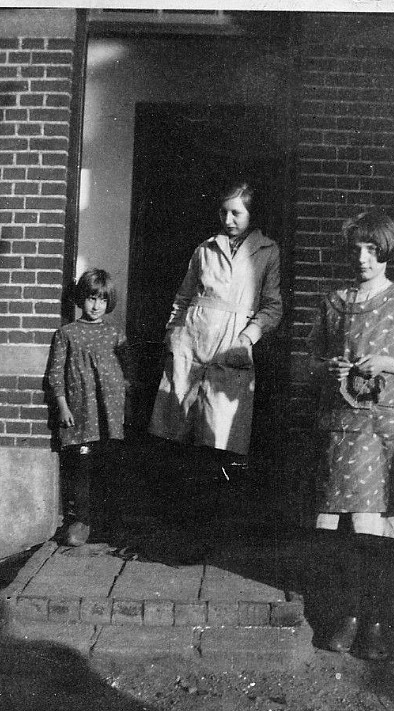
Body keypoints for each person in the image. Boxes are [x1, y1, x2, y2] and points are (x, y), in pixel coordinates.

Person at [307, 210, 394, 660]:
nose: (363, 259)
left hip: (384, 435)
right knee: (345, 532)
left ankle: (374, 621)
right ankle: (347, 616)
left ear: (386, 253)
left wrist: (385, 362)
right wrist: (328, 368)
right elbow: (311, 361)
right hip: (343, 433)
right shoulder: (332, 303)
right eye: (356, 250)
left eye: (372, 250)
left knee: (380, 532)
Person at [149, 180, 283, 462]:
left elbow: (273, 307)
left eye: (236, 213)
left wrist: (247, 338)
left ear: (252, 214)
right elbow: (183, 297)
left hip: (231, 345)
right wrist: (173, 333)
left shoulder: (267, 251)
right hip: (191, 340)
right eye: (224, 212)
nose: (228, 220)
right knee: (176, 429)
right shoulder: (205, 249)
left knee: (219, 436)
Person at [48, 269, 130, 546]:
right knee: (81, 467)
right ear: (81, 299)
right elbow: (56, 374)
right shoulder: (66, 334)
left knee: (108, 467)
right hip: (82, 412)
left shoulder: (114, 334)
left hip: (109, 412)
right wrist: (63, 406)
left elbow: (127, 372)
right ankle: (81, 520)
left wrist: (123, 403)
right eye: (91, 298)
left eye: (102, 300)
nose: (96, 306)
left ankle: (108, 522)